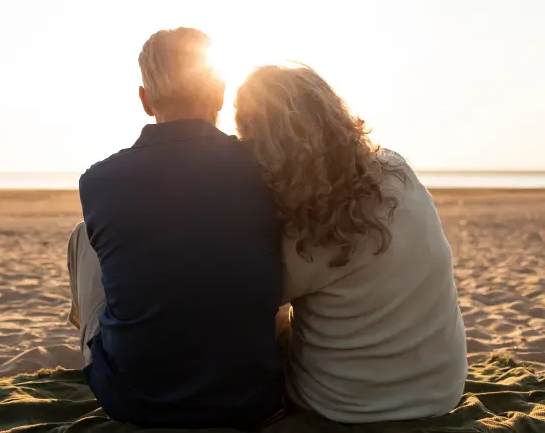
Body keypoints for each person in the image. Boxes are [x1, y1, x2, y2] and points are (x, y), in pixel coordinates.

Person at [67, 28, 286, 429]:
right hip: (251, 397)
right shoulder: (265, 170)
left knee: (85, 234)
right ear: (219, 93)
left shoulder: (98, 181)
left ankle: (102, 346)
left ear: (145, 100)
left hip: (134, 400)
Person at [234, 64, 467, 423]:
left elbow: (249, 308)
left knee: (263, 319)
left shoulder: (305, 233)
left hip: (341, 406)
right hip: (441, 390)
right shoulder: (397, 170)